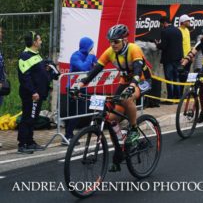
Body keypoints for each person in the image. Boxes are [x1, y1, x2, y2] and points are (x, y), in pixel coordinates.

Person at [75, 24, 151, 171]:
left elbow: (137, 69)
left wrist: (133, 85)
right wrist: (81, 83)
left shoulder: (133, 49)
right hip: (125, 82)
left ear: (124, 40)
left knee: (126, 98)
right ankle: (119, 152)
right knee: (111, 119)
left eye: (116, 41)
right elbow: (96, 69)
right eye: (111, 41)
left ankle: (134, 129)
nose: (113, 44)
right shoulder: (110, 52)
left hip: (142, 80)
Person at [17, 32, 52, 154]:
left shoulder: (36, 54)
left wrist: (46, 69)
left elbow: (38, 72)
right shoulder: (24, 56)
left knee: (33, 118)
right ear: (34, 42)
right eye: (39, 39)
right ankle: (22, 144)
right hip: (31, 95)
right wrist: (33, 92)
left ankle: (30, 142)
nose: (41, 41)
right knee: (27, 118)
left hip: (38, 94)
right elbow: (24, 77)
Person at [65, 37, 98, 143]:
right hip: (73, 87)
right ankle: (68, 135)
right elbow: (83, 67)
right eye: (91, 46)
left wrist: (94, 63)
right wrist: (90, 57)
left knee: (80, 112)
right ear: (87, 47)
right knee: (75, 112)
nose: (93, 48)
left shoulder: (90, 56)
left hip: (83, 87)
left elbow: (97, 66)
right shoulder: (75, 56)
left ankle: (68, 134)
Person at [156, 16, 183, 99]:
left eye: (161, 24)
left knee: (169, 79)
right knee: (176, 78)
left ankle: (170, 98)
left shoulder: (164, 31)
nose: (161, 26)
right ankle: (177, 97)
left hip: (168, 59)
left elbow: (163, 46)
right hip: (178, 58)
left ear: (164, 23)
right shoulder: (178, 30)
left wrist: (157, 44)